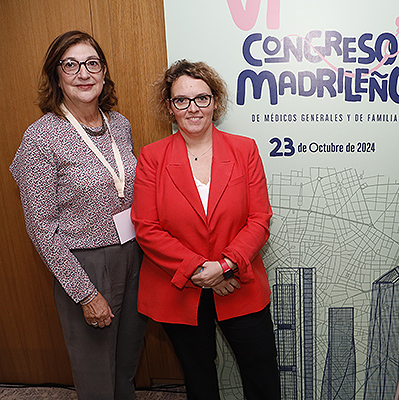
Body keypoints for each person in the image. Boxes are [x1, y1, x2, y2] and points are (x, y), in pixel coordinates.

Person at [131, 59, 281, 400]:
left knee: (262, 378)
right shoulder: (152, 157)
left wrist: (225, 265)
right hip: (181, 288)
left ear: (215, 101)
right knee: (199, 380)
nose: (193, 108)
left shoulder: (244, 150)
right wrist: (202, 270)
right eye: (181, 100)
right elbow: (147, 228)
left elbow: (259, 219)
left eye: (202, 98)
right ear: (170, 108)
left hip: (239, 284)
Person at [10, 31, 147, 399]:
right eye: (71, 65)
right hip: (84, 264)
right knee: (97, 374)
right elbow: (41, 229)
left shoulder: (119, 124)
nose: (83, 73)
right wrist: (85, 294)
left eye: (92, 64)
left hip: (134, 254)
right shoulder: (40, 138)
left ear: (104, 73)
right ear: (56, 75)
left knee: (127, 363)